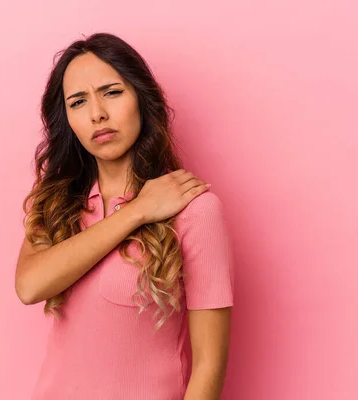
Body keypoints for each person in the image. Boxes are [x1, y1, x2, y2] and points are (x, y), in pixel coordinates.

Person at [15, 32, 234, 400]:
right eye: (78, 101)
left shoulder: (196, 211)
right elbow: (29, 286)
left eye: (112, 92)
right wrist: (137, 212)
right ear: (67, 119)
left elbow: (209, 366)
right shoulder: (56, 205)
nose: (97, 113)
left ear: (141, 100)